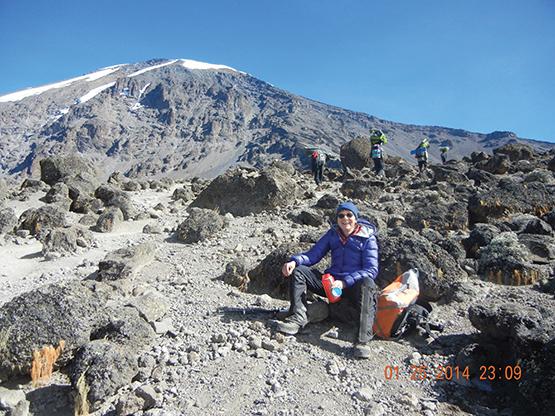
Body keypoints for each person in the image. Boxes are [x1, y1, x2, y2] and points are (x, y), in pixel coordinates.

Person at [277, 201, 379, 358]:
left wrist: (345, 282)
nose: (345, 219)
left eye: (349, 215)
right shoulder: (333, 234)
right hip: (331, 284)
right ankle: (297, 318)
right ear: (337, 219)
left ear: (356, 218)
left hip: (353, 287)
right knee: (300, 272)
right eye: (341, 215)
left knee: (368, 283)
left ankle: (362, 341)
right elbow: (313, 255)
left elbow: (371, 270)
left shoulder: (367, 238)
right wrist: (294, 261)